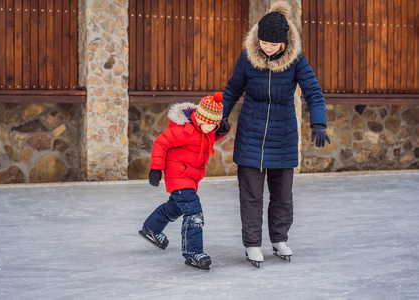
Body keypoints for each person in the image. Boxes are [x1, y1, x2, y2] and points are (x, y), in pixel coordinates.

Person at [221, 1, 330, 268]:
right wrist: (219, 115)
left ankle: (279, 239)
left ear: (284, 43)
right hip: (251, 135)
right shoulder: (248, 57)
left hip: (283, 135)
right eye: (263, 43)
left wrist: (319, 123)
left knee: (282, 195)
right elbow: (233, 89)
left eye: (273, 44)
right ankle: (252, 244)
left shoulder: (296, 60)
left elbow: (313, 93)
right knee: (251, 195)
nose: (267, 48)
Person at [139, 92, 229, 271]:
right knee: (193, 211)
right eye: (208, 123)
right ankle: (193, 252)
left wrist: (220, 132)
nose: (210, 128)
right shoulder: (183, 130)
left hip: (189, 177)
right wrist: (156, 169)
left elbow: (206, 137)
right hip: (179, 176)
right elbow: (160, 143)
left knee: (176, 206)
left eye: (214, 125)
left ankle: (151, 228)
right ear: (199, 117)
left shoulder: (206, 129)